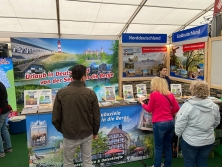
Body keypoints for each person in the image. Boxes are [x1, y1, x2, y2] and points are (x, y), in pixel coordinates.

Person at [52, 65, 100, 167]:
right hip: (87, 133)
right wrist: (95, 132)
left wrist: (64, 130)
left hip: (69, 134)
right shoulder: (91, 93)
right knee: (87, 162)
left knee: (68, 163)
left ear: (72, 77)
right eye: (86, 76)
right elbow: (96, 116)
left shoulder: (61, 93)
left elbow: (55, 118)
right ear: (83, 77)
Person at [175, 80, 220, 167]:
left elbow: (180, 123)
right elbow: (216, 122)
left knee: (189, 163)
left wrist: (179, 134)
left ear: (193, 90)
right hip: (208, 140)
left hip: (190, 141)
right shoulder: (214, 106)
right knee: (202, 162)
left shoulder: (187, 106)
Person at [139, 77, 180, 167]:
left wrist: (142, 103)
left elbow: (149, 109)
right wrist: (169, 113)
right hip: (170, 122)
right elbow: (177, 108)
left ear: (154, 84)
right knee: (168, 146)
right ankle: (167, 165)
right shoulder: (170, 94)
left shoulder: (154, 94)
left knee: (158, 147)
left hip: (159, 123)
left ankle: (157, 165)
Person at [0, 81, 13, 158]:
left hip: (1, 111)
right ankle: (9, 148)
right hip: (5, 109)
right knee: (4, 128)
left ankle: (1, 152)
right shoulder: (1, 84)